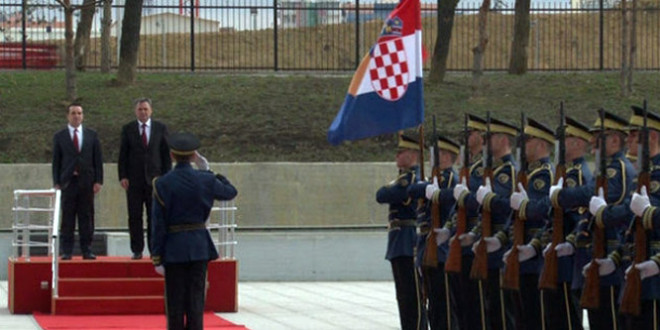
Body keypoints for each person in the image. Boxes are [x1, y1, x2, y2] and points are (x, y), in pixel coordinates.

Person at [552, 110, 635, 329]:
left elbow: (599, 196)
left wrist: (560, 196)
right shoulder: (607, 168)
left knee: (608, 320)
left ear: (615, 140)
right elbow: (587, 213)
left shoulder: (618, 169)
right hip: (595, 253)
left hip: (609, 252)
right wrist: (573, 240)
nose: (592, 142)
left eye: (599, 137)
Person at [151, 132, 237, 330]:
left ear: (172, 155)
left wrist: (157, 256)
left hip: (173, 248)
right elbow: (230, 191)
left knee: (174, 303)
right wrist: (209, 170)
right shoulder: (205, 179)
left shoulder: (162, 183)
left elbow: (158, 224)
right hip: (199, 246)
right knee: (196, 302)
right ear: (192, 156)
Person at [457, 117, 517, 330]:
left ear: (502, 140)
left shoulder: (508, 170)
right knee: (489, 310)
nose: (485, 140)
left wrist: (478, 198)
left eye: (490, 137)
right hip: (486, 245)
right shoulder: (493, 170)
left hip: (500, 246)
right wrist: (475, 233)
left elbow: (505, 207)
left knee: (502, 313)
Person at [507, 118, 555, 329]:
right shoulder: (528, 173)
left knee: (536, 317)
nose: (523, 144)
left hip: (536, 257)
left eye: (528, 139)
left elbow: (547, 212)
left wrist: (533, 245)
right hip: (521, 251)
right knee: (522, 317)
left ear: (541, 144)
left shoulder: (545, 174)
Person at [546, 116, 594, 330]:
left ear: (578, 143)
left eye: (567, 139)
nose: (561, 144)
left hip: (570, 257)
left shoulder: (578, 175)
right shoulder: (567, 173)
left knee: (568, 315)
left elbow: (580, 216)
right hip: (560, 251)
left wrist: (571, 242)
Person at [376, 134, 426, 330]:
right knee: (404, 296)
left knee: (413, 296)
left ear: (413, 154)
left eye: (401, 151)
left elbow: (384, 194)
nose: (397, 155)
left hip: (408, 241)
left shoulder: (411, 179)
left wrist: (391, 186)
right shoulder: (402, 179)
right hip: (399, 241)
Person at [411, 135, 460, 330]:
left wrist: (432, 190)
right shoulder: (434, 180)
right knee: (433, 305)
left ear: (447, 156)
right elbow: (413, 191)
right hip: (428, 247)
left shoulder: (449, 179)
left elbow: (451, 203)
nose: (433, 157)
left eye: (438, 153)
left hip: (441, 250)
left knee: (444, 306)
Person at [118, 98, 172, 260]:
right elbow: (123, 155)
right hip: (134, 181)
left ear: (151, 111)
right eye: (140, 109)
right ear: (136, 111)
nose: (143, 112)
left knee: (154, 217)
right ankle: (137, 249)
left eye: (145, 109)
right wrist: (123, 176)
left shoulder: (160, 128)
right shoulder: (128, 129)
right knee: (134, 216)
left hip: (155, 181)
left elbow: (165, 155)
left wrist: (166, 178)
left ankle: (154, 249)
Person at [52, 102, 104, 260]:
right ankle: (66, 250)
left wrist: (98, 181)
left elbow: (97, 159)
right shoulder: (60, 136)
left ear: (83, 116)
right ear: (68, 116)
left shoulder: (91, 135)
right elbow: (56, 161)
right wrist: (56, 181)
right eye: (73, 113)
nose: (76, 116)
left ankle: (87, 249)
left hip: (87, 182)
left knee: (86, 216)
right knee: (67, 217)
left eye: (79, 113)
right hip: (68, 182)